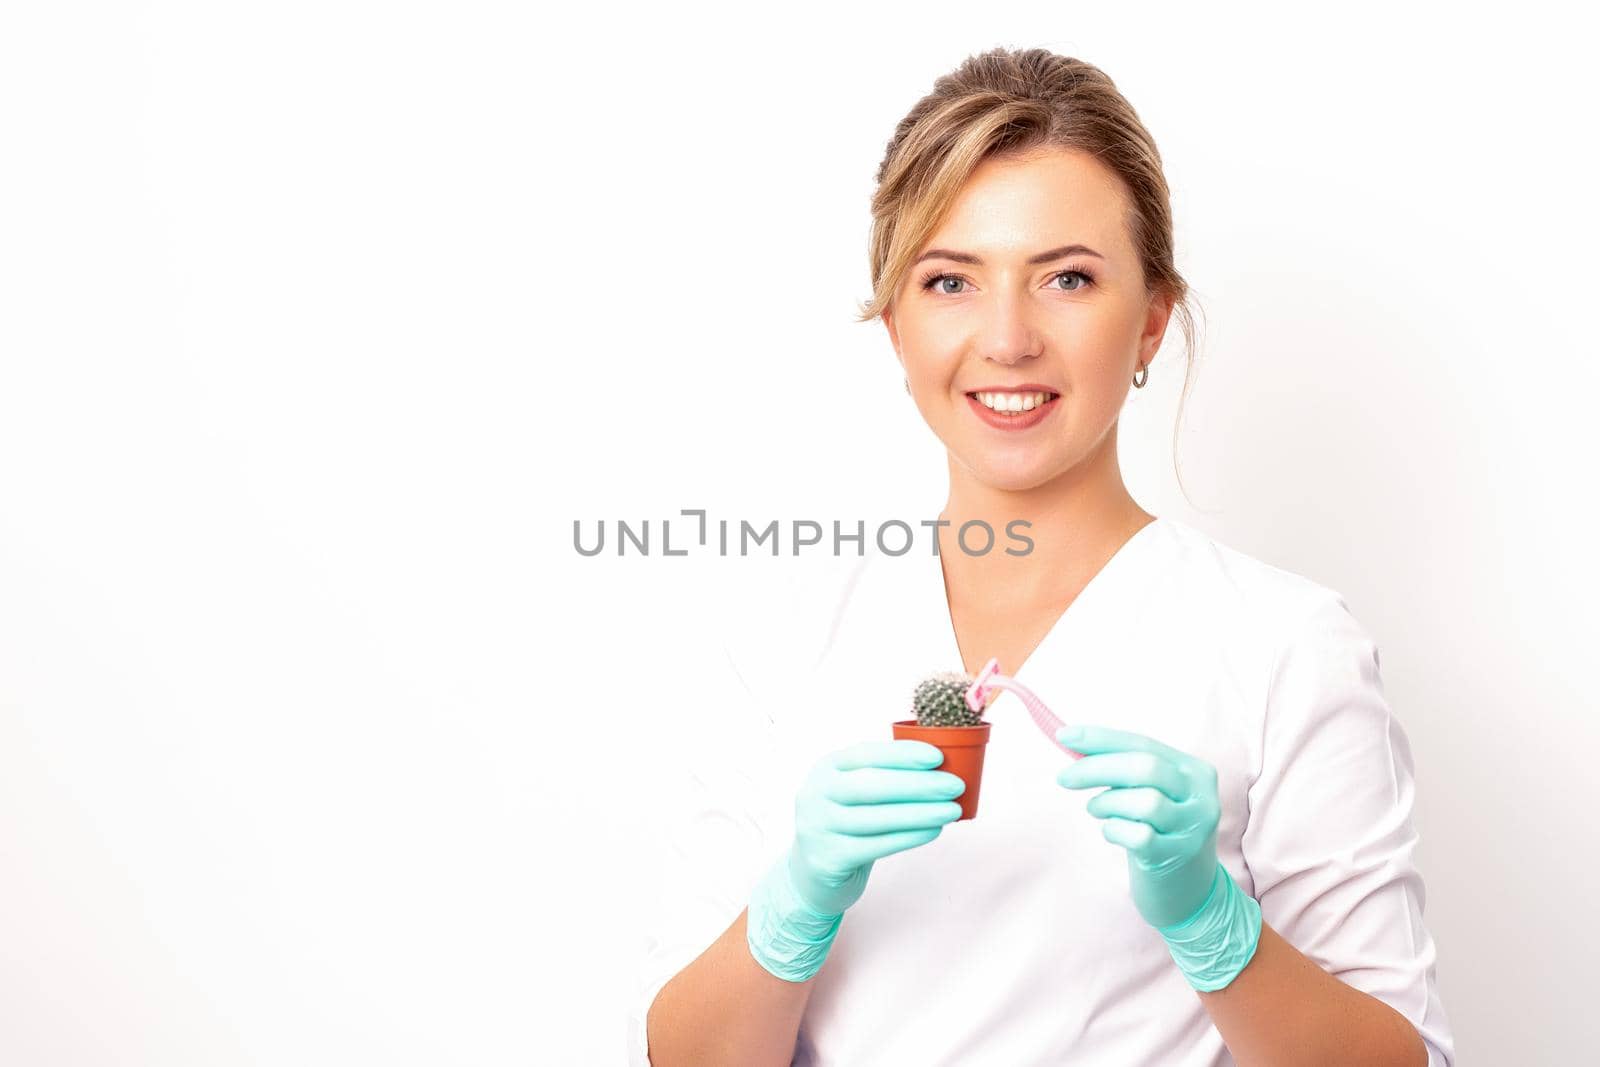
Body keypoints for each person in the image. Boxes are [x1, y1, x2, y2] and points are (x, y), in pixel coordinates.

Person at [633, 47, 1454, 1066]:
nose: (1008, 337)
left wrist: (1211, 926)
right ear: (896, 327)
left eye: (1067, 277)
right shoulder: (784, 633)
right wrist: (790, 907)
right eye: (949, 280)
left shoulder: (1284, 645)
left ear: (1152, 318)